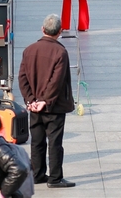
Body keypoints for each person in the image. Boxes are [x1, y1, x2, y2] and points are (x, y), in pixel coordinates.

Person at [18, 14, 75, 188]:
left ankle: (38, 174)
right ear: (60, 31)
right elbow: (56, 82)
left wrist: (31, 100)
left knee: (37, 141)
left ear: (42, 29)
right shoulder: (60, 52)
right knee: (55, 143)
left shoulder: (29, 50)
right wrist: (44, 100)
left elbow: (22, 78)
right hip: (53, 107)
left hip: (35, 107)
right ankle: (55, 178)